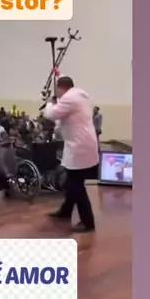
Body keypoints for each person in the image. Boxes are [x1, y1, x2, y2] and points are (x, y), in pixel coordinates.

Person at [43, 76, 99, 232]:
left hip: (79, 147)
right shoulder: (77, 95)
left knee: (75, 185)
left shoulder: (70, 98)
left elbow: (50, 114)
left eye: (57, 90)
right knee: (71, 181)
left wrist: (49, 102)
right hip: (81, 145)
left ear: (62, 88)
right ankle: (66, 211)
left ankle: (88, 222)